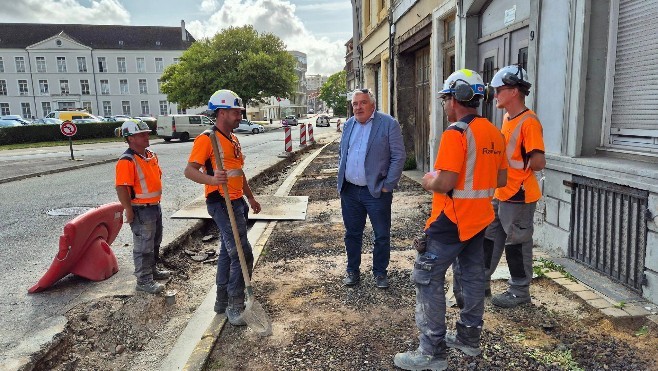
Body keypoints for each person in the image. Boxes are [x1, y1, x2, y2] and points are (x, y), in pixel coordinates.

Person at [394, 69, 507, 371]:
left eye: (445, 99)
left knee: (426, 277)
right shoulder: (495, 134)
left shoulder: (456, 133)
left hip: (451, 221)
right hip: (479, 219)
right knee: (471, 277)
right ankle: (469, 339)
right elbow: (501, 177)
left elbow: (444, 182)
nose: (444, 105)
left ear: (457, 97)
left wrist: (428, 179)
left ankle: (432, 352)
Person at [184, 89, 262, 326]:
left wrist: (250, 198)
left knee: (229, 253)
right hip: (220, 201)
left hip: (237, 201)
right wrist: (212, 180)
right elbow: (189, 171)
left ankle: (220, 300)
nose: (240, 116)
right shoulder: (207, 139)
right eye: (236, 112)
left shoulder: (233, 139)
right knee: (241, 253)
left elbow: (239, 173)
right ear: (222, 112)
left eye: (239, 112)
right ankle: (235, 305)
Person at [484, 65, 546, 308]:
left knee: (517, 242)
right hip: (502, 191)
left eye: (499, 90)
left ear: (513, 91)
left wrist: (520, 168)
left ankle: (520, 291)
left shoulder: (529, 122)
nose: (496, 94)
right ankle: (481, 280)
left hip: (519, 194)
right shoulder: (508, 118)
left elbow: (539, 161)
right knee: (490, 237)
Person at [337, 88, 405, 289]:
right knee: (352, 234)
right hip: (350, 191)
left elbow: (398, 156)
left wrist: (387, 185)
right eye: (355, 103)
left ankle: (380, 273)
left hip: (376, 191)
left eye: (363, 102)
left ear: (372, 105)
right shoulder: (348, 125)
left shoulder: (388, 124)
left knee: (381, 235)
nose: (358, 107)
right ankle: (352, 271)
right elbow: (342, 154)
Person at [115, 119, 171, 295]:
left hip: (154, 206)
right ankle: (143, 281)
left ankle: (152, 272)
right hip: (140, 209)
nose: (147, 136)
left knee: (155, 242)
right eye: (142, 134)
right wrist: (128, 210)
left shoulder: (150, 155)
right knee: (143, 246)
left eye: (147, 133)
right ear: (130, 138)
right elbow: (122, 187)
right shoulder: (127, 160)